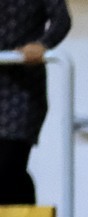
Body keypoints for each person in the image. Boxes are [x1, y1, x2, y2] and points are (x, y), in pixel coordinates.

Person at [0, 0, 68, 206]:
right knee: (11, 173)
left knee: (8, 164)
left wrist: (42, 45)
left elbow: (62, 20)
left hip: (23, 89)